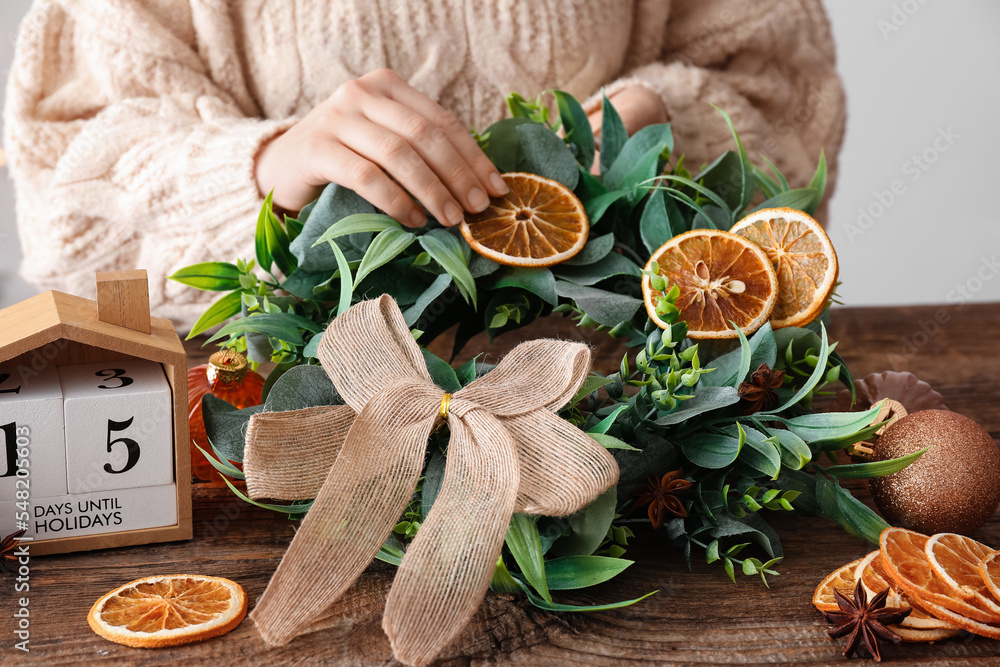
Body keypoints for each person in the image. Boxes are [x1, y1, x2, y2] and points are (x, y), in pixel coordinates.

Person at [4, 0, 845, 330]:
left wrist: (669, 125)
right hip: (284, 450)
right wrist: (256, 169)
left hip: (621, 414)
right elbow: (66, 216)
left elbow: (786, 106)